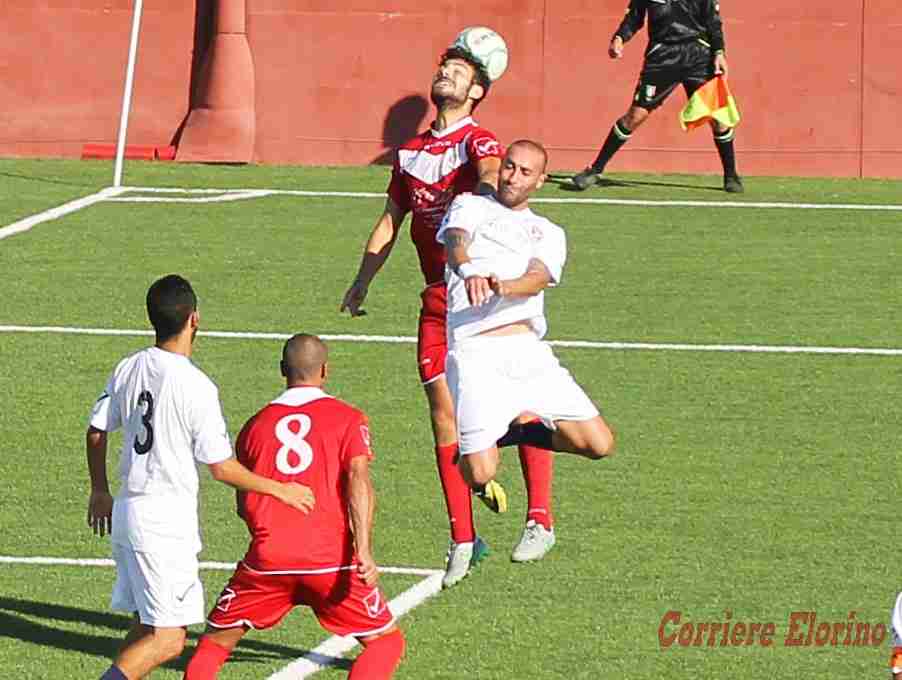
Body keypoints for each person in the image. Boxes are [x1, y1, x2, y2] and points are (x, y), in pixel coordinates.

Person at [341, 36, 558, 585]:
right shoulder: (410, 151)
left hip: (483, 296)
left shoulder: (477, 140)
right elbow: (392, 218)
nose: (447, 75)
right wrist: (362, 280)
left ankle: (540, 518)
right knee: (443, 412)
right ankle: (464, 537)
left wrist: (484, 195)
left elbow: (488, 170)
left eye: (460, 71)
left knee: (517, 405)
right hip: (437, 299)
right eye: (445, 67)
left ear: (478, 90)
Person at [86, 275, 315, 680]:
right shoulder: (196, 386)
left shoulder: (128, 366)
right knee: (170, 640)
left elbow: (96, 430)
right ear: (195, 319)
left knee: (146, 627)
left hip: (128, 512)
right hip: (163, 524)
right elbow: (221, 467)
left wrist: (100, 491)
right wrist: (281, 489)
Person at [183, 334, 405, 680]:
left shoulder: (254, 427)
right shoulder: (348, 418)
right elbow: (358, 481)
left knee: (213, 645)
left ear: (282, 370)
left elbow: (244, 504)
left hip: (268, 561)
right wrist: (363, 549)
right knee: (385, 644)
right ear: (325, 370)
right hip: (331, 563)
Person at [438, 140, 617, 500]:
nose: (512, 177)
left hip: (527, 351)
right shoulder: (469, 205)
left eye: (524, 172)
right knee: (478, 474)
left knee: (600, 444)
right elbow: (456, 241)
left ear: (540, 180)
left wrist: (505, 287)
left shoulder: (548, 231)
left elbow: (538, 276)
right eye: (509, 167)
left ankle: (515, 433)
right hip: (475, 352)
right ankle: (477, 456)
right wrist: (469, 269)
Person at [571, 0, 743, 193]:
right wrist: (620, 37)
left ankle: (731, 175)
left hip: (699, 55)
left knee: (716, 117)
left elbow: (713, 20)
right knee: (635, 116)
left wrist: (719, 52)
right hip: (662, 56)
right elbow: (634, 17)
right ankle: (595, 170)